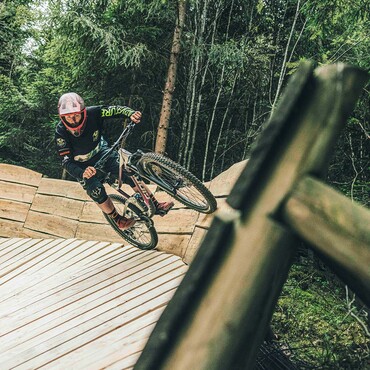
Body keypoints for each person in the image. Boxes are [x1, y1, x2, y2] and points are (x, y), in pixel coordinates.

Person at [55, 92, 173, 230]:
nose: (73, 120)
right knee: (96, 190)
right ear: (62, 118)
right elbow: (65, 161)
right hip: (82, 166)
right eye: (68, 117)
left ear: (83, 112)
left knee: (129, 172)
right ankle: (117, 219)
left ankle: (156, 204)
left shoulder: (94, 112)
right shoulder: (60, 132)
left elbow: (114, 110)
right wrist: (82, 173)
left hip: (102, 152)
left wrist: (130, 113)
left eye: (76, 115)